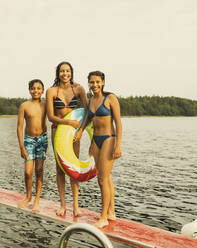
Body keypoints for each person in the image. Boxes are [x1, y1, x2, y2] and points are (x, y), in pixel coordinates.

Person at [46, 62, 88, 216]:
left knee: (74, 167)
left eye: (68, 71)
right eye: (62, 71)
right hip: (57, 130)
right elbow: (51, 117)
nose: (65, 74)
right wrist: (68, 122)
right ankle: (63, 205)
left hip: (74, 132)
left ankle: (76, 206)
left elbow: (88, 111)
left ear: (71, 72)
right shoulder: (51, 91)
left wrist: (81, 130)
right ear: (58, 73)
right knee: (60, 168)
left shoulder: (78, 89)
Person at [86, 71, 122, 228]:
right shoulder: (90, 100)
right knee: (105, 179)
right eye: (92, 82)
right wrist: (88, 139)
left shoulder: (111, 98)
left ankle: (103, 217)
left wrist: (118, 145)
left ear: (103, 82)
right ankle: (111, 212)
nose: (94, 85)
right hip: (96, 140)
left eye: (97, 82)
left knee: (102, 178)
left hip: (109, 139)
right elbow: (89, 121)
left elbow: (119, 124)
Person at [17, 79, 48, 213]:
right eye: (33, 88)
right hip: (28, 140)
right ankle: (28, 196)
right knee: (28, 172)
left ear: (42, 90)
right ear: (29, 90)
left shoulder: (46, 104)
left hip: (42, 139)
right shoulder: (24, 105)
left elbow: (57, 113)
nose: (36, 91)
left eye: (38, 88)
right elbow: (19, 127)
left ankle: (37, 200)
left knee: (39, 170)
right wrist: (22, 146)